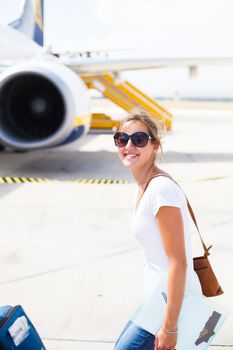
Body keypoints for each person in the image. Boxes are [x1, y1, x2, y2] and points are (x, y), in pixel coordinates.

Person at [113, 110, 202, 350]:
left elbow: (178, 263)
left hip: (171, 302)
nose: (129, 145)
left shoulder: (160, 190)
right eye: (122, 139)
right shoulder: (144, 186)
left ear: (154, 145)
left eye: (139, 139)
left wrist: (170, 326)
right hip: (154, 297)